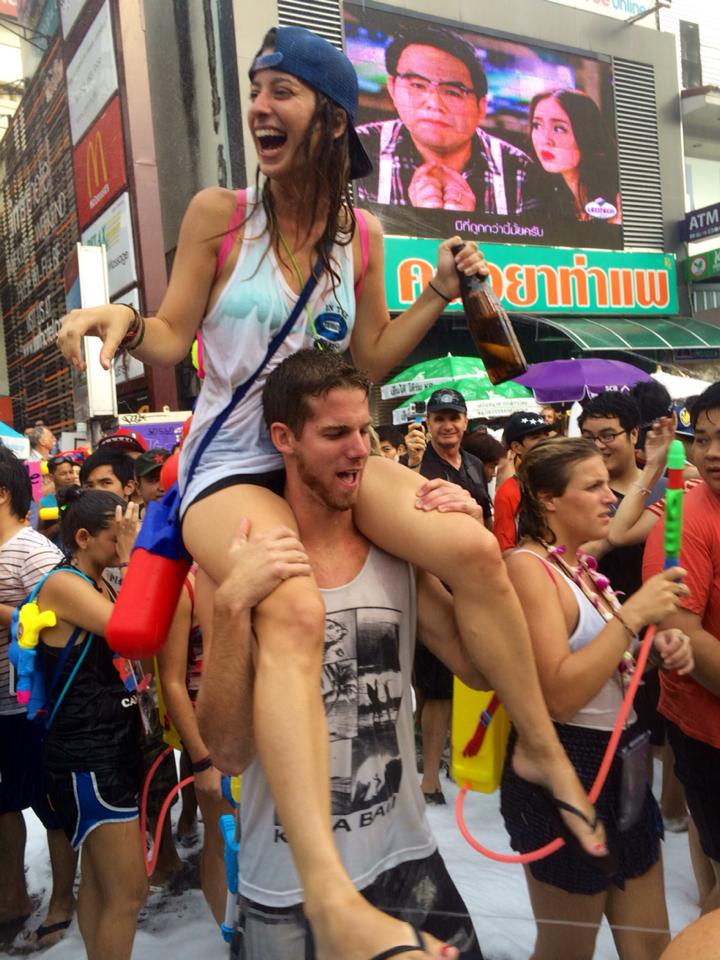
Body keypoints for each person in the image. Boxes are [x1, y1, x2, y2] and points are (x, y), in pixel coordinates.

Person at [59, 25, 607, 959]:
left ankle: (542, 744)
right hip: (231, 465)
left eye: (283, 91)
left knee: (475, 548)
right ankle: (329, 894)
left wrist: (436, 294)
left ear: (330, 117)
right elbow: (171, 333)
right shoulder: (218, 215)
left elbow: (367, 357)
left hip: (322, 450)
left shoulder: (364, 233)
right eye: (257, 89)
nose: (261, 108)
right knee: (295, 603)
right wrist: (121, 315)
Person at [198, 349, 486, 958]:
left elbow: (476, 665)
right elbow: (226, 750)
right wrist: (229, 612)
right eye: (335, 434)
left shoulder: (395, 549)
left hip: (406, 856)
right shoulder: (237, 562)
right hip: (287, 884)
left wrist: (473, 548)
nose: (360, 450)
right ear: (284, 439)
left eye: (365, 431)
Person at [502, 437, 693, 960]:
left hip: (626, 762)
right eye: (593, 486)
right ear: (548, 499)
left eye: (609, 483)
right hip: (566, 766)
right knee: (569, 950)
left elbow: (610, 664)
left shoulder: (581, 566)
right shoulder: (529, 568)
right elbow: (560, 694)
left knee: (650, 946)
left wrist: (655, 651)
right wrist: (632, 617)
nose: (610, 496)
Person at [35, 486, 146, 960]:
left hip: (108, 746)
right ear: (82, 537)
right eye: (115, 536)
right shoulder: (64, 584)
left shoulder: (99, 579)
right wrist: (136, 558)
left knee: (102, 888)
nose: (123, 545)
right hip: (88, 756)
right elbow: (135, 632)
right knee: (130, 892)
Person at [643, 382, 720, 915]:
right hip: (708, 727)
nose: (712, 452)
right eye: (705, 439)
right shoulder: (684, 518)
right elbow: (683, 633)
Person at [0, 449, 77, 950]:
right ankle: (11, 897)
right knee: (4, 803)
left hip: (30, 706)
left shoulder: (33, 550)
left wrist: (5, 613)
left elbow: (63, 623)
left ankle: (63, 904)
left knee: (51, 806)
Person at [356, 22, 532, 214]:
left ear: (481, 107)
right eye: (417, 85)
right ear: (392, 88)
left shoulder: (520, 169)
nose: (434, 103)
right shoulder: (357, 148)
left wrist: (464, 224)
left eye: (452, 92)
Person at [414, 388, 490, 804]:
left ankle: (437, 750)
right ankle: (428, 778)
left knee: (454, 677)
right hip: (435, 586)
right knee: (437, 686)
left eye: (454, 417)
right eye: (439, 417)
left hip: (471, 587)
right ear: (428, 422)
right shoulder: (418, 470)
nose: (447, 424)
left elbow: (487, 519)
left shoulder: (476, 465)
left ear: (465, 421)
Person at [157, 565, 233, 922]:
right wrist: (201, 760)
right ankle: (228, 936)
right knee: (221, 840)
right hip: (212, 736)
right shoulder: (182, 587)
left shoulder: (251, 567)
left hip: (263, 727)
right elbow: (171, 681)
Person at [526, 89, 621, 225]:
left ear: (587, 134)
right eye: (537, 125)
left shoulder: (619, 197)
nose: (545, 140)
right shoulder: (546, 201)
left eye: (559, 128)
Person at [492, 411, 553, 551]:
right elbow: (505, 550)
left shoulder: (564, 479)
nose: (544, 442)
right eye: (536, 437)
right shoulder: (508, 493)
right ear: (516, 447)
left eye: (546, 436)